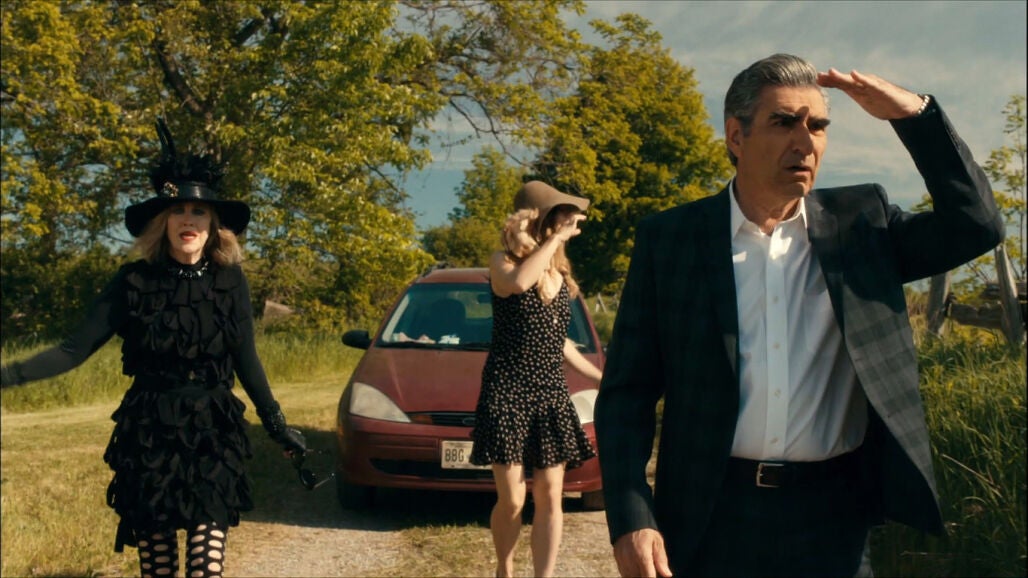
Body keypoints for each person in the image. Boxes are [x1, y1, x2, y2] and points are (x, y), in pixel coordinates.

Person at [594, 53, 1003, 577]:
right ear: (736, 136)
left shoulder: (862, 227)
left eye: (818, 126)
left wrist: (915, 115)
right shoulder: (672, 240)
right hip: (710, 516)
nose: (805, 142)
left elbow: (976, 225)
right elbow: (627, 393)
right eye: (784, 122)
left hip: (833, 520)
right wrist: (631, 517)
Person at [0, 119, 308, 578]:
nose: (189, 219)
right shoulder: (133, 282)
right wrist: (9, 375)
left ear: (213, 224)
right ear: (163, 222)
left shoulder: (230, 282)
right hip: (148, 434)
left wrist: (278, 425)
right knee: (158, 569)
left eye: (199, 211)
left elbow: (246, 358)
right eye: (178, 210)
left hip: (211, 431)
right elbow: (72, 350)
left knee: (205, 567)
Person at [470, 180, 604, 578]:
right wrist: (556, 240)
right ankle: (505, 567)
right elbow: (518, 284)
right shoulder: (503, 262)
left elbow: (558, 342)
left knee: (550, 495)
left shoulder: (559, 273)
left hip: (550, 393)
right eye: (559, 216)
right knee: (513, 499)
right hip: (507, 390)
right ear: (538, 219)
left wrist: (602, 377)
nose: (566, 224)